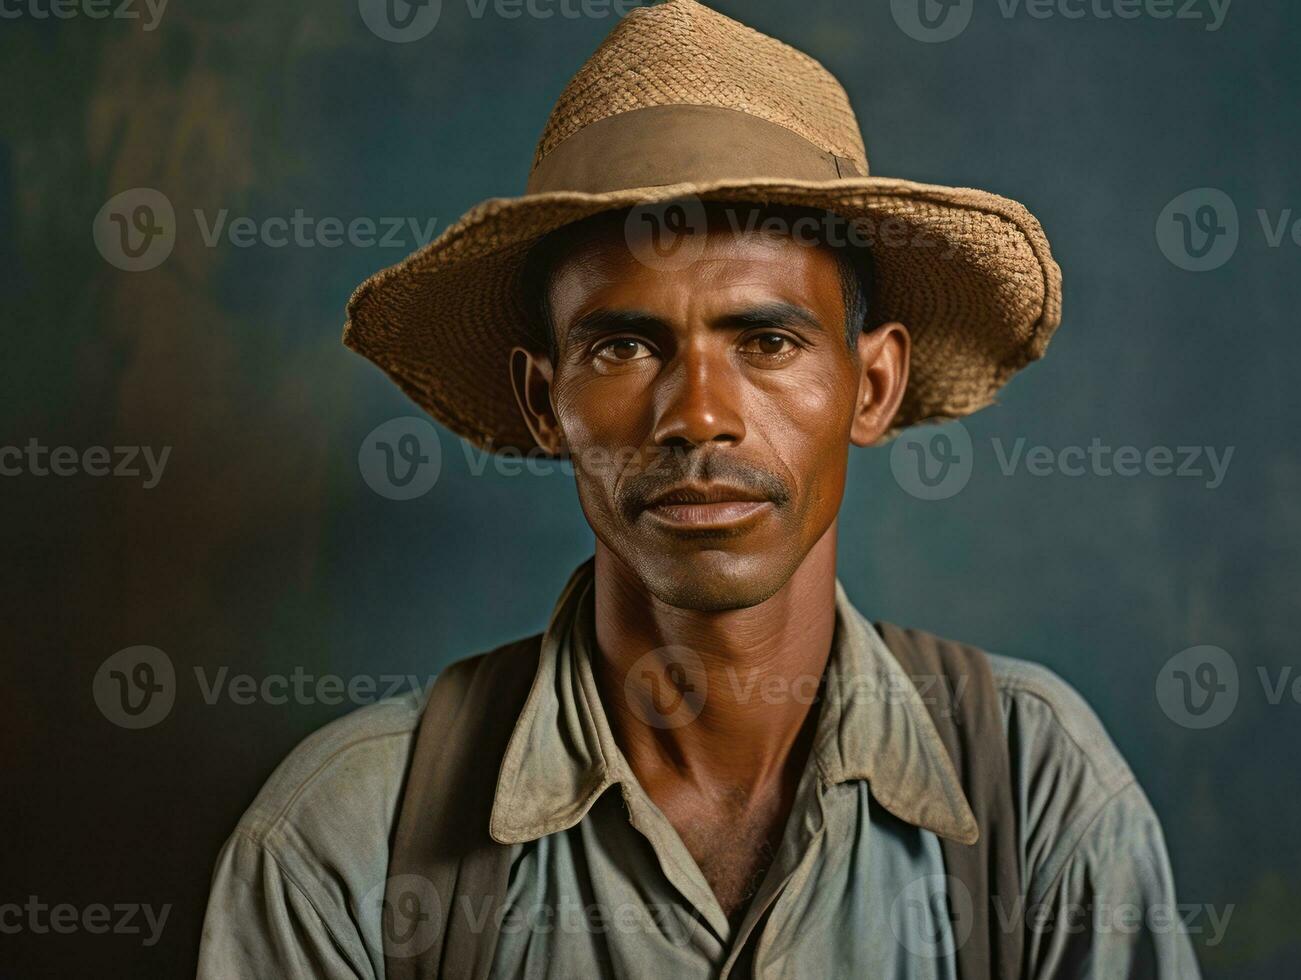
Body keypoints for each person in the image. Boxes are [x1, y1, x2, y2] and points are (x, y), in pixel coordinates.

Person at [198, 2, 1198, 976]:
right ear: (543, 400)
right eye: (625, 344)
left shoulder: (1034, 792)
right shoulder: (350, 838)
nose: (698, 416)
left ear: (874, 383)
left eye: (765, 341)